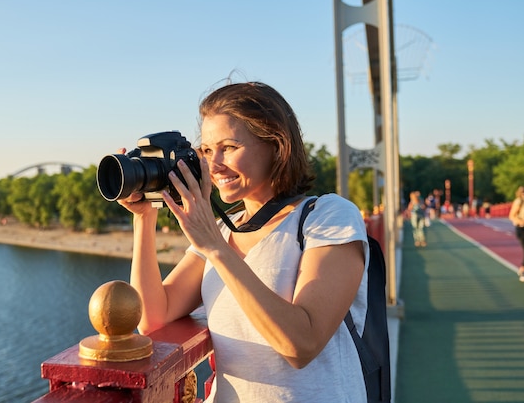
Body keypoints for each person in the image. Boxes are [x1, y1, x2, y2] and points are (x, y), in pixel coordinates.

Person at [118, 82, 369, 402]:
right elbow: (153, 317)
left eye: (229, 147)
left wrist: (215, 248)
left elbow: (301, 345)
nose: (214, 164)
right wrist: (144, 216)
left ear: (276, 146)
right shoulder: (225, 231)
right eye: (207, 151)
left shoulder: (327, 216)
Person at [509, 184, 524, 282]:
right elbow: (512, 215)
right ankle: (523, 270)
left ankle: (522, 269)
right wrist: (521, 222)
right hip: (522, 228)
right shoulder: (520, 201)